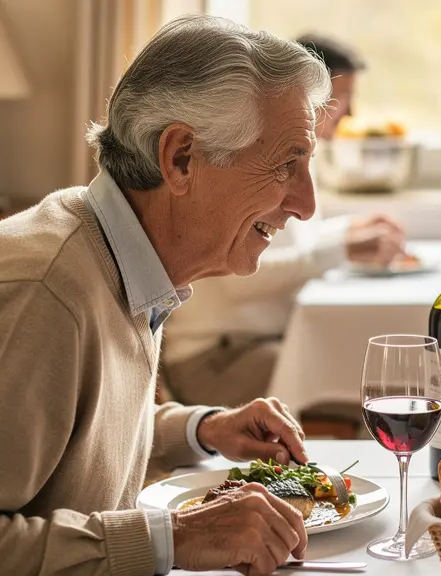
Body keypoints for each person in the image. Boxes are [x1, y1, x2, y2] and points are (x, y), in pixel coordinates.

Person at [0, 15, 336, 575]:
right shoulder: (43, 294)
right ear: (181, 157)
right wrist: (175, 536)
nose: (306, 204)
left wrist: (200, 430)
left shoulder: (114, 250)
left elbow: (69, 443)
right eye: (288, 163)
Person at [161, 32, 406, 408]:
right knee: (369, 388)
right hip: (217, 356)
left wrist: (348, 232)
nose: (350, 115)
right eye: (345, 100)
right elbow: (240, 276)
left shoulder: (300, 157)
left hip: (262, 342)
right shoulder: (251, 160)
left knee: (369, 374)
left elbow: (287, 238)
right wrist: (343, 247)